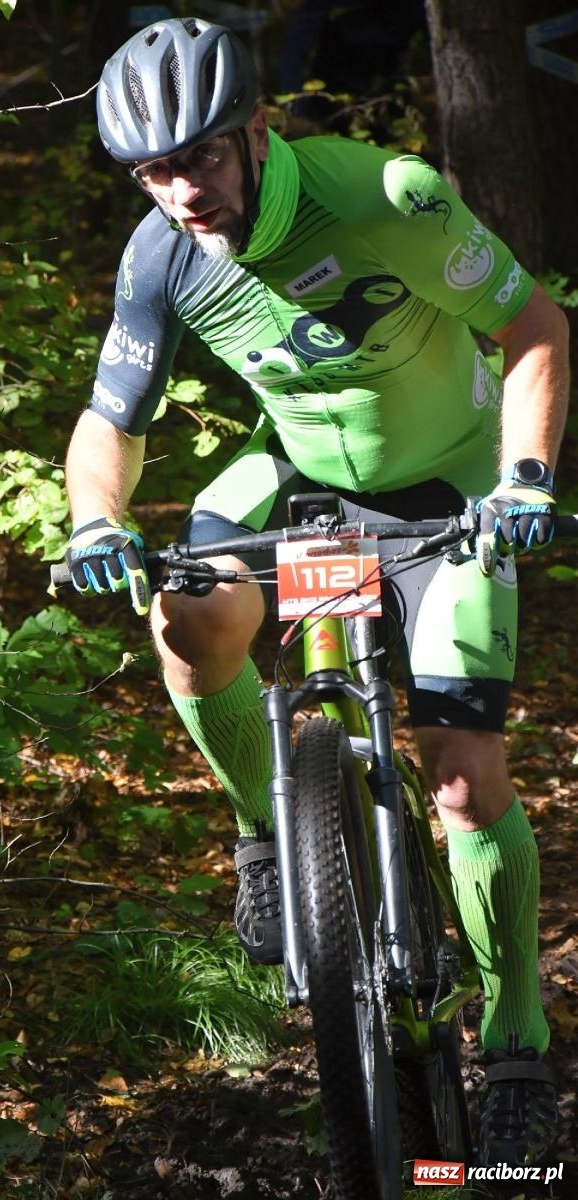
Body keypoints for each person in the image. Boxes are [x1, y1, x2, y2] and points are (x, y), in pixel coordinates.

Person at [63, 15, 570, 1167]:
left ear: (255, 130)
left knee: (458, 780)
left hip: (446, 481)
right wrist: (96, 516)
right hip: (296, 475)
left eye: (197, 157)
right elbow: (108, 426)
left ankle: (519, 1042)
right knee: (186, 610)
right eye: (151, 171)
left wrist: (525, 477)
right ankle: (262, 833)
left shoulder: (385, 196)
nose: (179, 191)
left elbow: (533, 328)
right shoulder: (160, 257)